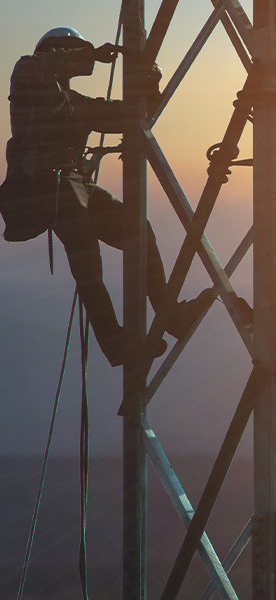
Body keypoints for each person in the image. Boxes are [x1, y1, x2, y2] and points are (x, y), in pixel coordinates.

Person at [0, 27, 213, 367]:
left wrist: (150, 82)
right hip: (45, 184)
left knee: (137, 230)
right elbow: (46, 66)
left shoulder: (77, 104)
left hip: (71, 184)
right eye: (65, 53)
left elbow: (130, 116)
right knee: (87, 257)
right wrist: (91, 55)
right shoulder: (25, 77)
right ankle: (116, 343)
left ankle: (170, 315)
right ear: (53, 54)